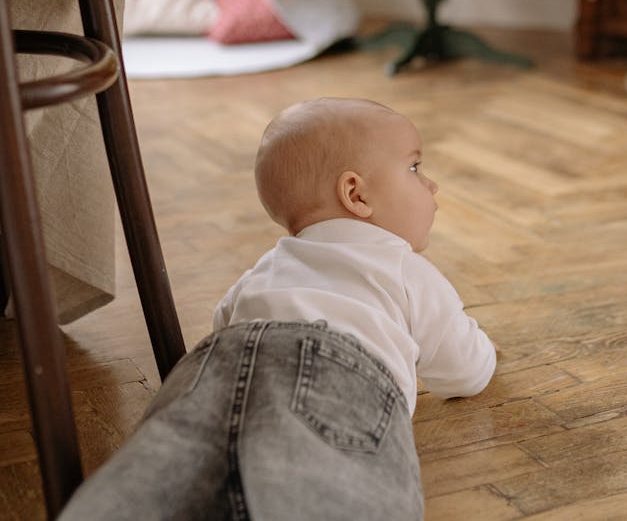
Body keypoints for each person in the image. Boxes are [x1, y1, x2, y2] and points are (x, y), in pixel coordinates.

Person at [60, 97, 496, 520]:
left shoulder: (264, 270)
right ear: (355, 194)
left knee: (161, 477)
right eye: (415, 168)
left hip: (216, 368)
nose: (431, 184)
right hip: (338, 376)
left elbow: (224, 325)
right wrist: (484, 349)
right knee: (327, 490)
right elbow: (465, 371)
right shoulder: (402, 266)